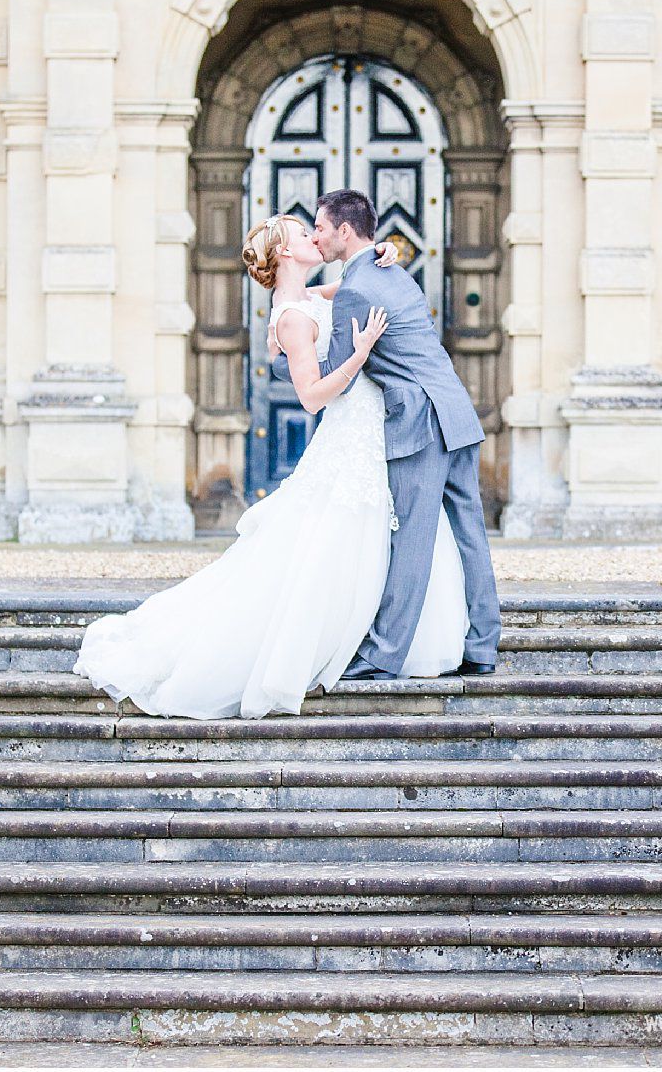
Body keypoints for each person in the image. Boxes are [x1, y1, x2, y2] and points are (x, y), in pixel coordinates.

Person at [72, 210, 470, 720]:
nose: (315, 237)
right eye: (305, 233)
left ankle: (372, 640)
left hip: (372, 430)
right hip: (349, 430)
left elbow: (349, 284)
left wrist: (380, 251)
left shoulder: (306, 300)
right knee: (335, 541)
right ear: (285, 251)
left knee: (368, 537)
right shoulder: (292, 318)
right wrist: (360, 353)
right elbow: (311, 397)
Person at [271, 189, 500, 681]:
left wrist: (285, 359)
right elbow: (340, 294)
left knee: (411, 540)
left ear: (344, 231)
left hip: (420, 424)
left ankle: (384, 654)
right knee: (470, 535)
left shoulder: (356, 290)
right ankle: (483, 644)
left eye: (321, 228)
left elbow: (337, 375)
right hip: (455, 411)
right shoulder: (393, 271)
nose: (317, 235)